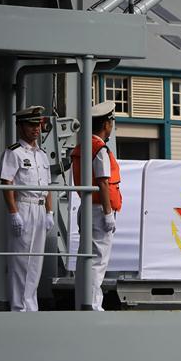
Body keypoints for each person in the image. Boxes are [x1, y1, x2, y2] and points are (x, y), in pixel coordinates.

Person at [0, 105, 54, 311]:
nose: (36, 129)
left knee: (35, 263)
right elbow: (7, 183)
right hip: (23, 207)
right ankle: (19, 308)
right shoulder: (13, 152)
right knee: (21, 261)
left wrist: (49, 212)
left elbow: (47, 186)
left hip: (40, 209)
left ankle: (31, 306)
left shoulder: (41, 154)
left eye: (38, 124)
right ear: (20, 126)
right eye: (31, 125)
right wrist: (13, 213)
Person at [70, 101, 122, 311]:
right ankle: (92, 304)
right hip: (99, 209)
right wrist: (109, 214)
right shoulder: (99, 149)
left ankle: (85, 301)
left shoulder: (82, 146)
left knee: (86, 259)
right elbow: (102, 181)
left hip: (87, 207)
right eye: (111, 121)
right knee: (98, 261)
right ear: (106, 124)